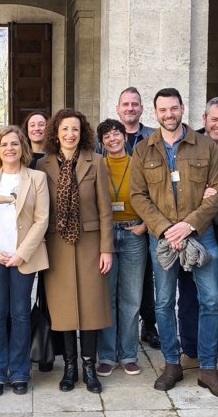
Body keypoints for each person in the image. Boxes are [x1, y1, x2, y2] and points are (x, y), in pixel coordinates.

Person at [129, 88, 218, 396]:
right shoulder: (143, 150)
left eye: (173, 108)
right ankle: (172, 363)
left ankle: (208, 368)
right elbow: (138, 196)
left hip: (201, 234)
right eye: (163, 110)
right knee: (162, 302)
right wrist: (165, 229)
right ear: (155, 113)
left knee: (210, 301)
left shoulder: (205, 146)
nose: (169, 114)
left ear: (182, 108)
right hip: (162, 239)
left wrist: (188, 225)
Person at [37, 109, 114, 394]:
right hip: (56, 244)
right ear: (56, 133)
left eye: (76, 130)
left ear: (83, 134)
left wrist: (106, 249)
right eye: (65, 129)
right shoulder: (42, 164)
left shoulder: (97, 161)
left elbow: (106, 210)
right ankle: (70, 367)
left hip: (90, 244)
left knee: (91, 307)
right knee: (64, 309)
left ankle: (89, 368)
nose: (70, 134)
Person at [0, 125, 50, 396]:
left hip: (23, 258)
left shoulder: (36, 178)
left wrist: (21, 254)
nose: (9, 148)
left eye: (14, 143)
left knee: (20, 313)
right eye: (4, 144)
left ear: (22, 147)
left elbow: (41, 220)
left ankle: (19, 372)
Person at [178, 97, 218, 379]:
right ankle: (190, 351)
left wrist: (217, 194)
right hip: (192, 229)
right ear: (204, 119)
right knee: (189, 293)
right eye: (214, 119)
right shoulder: (187, 144)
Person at [95, 119, 146, 376]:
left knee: (131, 298)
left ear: (125, 137)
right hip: (105, 236)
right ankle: (106, 355)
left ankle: (128, 354)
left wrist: (145, 225)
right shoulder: (97, 166)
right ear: (102, 142)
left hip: (133, 233)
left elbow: (153, 195)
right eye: (106, 136)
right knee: (107, 298)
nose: (112, 139)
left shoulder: (138, 164)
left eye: (116, 134)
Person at [114, 86, 160, 350]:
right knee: (119, 279)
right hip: (117, 223)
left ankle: (149, 326)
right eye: (125, 104)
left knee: (147, 277)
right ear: (118, 109)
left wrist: (147, 223)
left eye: (135, 104)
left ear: (142, 109)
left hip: (148, 221)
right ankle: (120, 327)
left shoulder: (153, 137)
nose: (130, 108)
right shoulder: (106, 137)